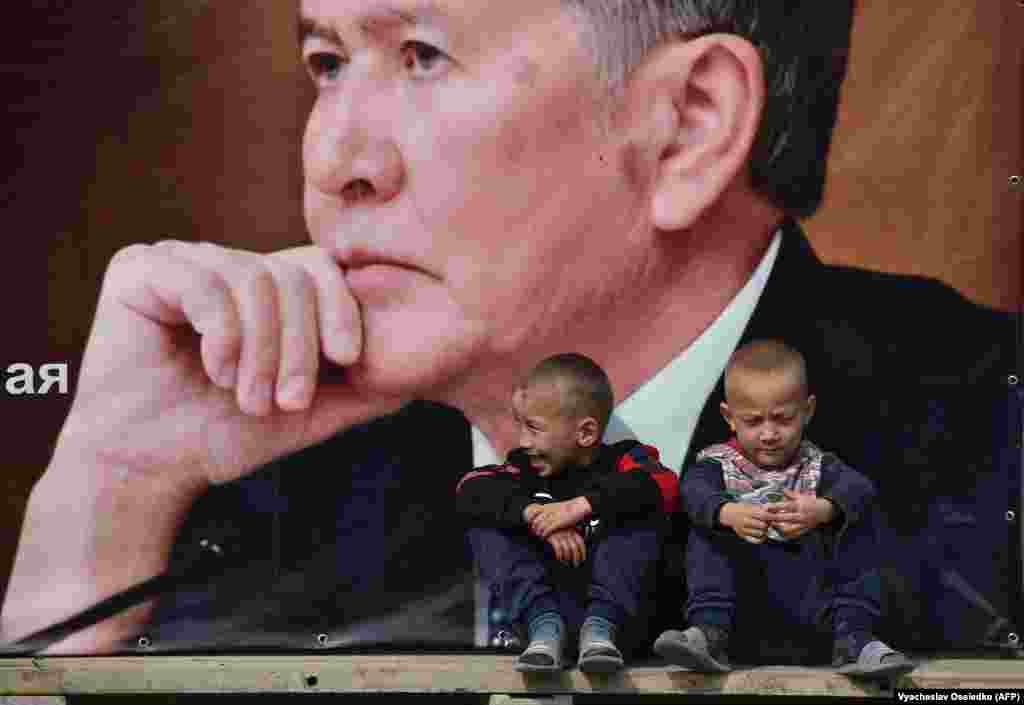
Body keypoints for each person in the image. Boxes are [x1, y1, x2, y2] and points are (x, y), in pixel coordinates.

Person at [2, 0, 1017, 655]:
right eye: (327, 62)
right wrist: (113, 501)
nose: (332, 161)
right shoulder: (251, 486)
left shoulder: (995, 458)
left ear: (692, 122)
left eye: (420, 56)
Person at [654, 340, 915, 678]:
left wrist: (823, 509)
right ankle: (707, 635)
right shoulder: (716, 465)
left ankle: (855, 639)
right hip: (740, 618)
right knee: (708, 525)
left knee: (855, 513)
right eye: (753, 421)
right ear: (729, 418)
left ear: (807, 411)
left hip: (815, 617)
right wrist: (728, 514)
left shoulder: (819, 465)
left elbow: (861, 488)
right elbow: (691, 493)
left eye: (782, 419)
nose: (768, 434)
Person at [456, 353, 678, 672]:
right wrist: (537, 515)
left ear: (585, 433)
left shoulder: (623, 459)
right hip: (541, 633)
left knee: (640, 501)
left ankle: (601, 626)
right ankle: (544, 626)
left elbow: (664, 482)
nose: (523, 441)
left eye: (534, 428)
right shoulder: (524, 468)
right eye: (521, 426)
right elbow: (469, 487)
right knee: (488, 519)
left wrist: (578, 508)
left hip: (619, 628)